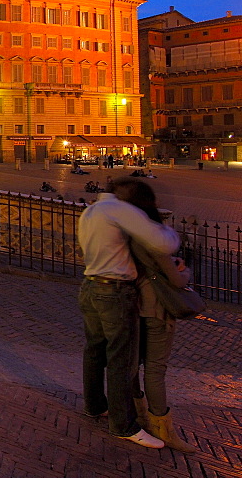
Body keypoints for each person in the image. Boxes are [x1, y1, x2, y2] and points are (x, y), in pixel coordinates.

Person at [77, 176, 179, 449]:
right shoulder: (119, 210)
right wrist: (166, 230)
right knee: (122, 359)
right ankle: (123, 425)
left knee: (95, 351)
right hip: (114, 290)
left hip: (90, 285)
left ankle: (95, 405)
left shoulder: (91, 210)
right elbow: (164, 243)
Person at [113, 180, 198, 453]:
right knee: (155, 368)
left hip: (133, 305)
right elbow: (175, 279)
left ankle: (138, 414)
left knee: (135, 363)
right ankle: (162, 426)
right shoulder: (151, 236)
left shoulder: (124, 233)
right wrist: (184, 271)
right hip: (157, 308)